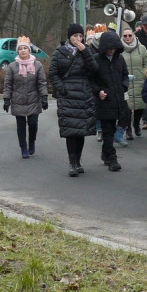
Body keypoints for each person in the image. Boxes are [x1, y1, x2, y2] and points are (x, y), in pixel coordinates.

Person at [48, 23, 98, 178]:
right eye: (75, 36)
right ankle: (72, 162)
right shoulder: (59, 53)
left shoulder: (86, 51)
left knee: (81, 130)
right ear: (69, 37)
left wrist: (85, 51)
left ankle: (78, 161)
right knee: (71, 131)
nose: (78, 38)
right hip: (67, 95)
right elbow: (53, 73)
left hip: (83, 94)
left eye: (80, 36)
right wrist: (61, 88)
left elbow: (94, 69)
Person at [2, 35, 48, 160]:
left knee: (33, 124)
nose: (23, 51)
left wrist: (44, 97)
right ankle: (23, 147)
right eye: (20, 49)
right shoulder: (12, 67)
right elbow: (8, 84)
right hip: (18, 100)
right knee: (21, 126)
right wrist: (6, 99)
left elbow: (42, 82)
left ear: (29, 50)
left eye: (25, 48)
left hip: (34, 99)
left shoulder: (37, 65)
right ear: (18, 51)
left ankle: (32, 141)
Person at [89, 29, 129, 172]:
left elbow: (125, 75)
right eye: (109, 48)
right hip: (104, 101)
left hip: (118, 99)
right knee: (107, 130)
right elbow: (91, 80)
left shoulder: (120, 59)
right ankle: (112, 157)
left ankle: (106, 153)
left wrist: (124, 86)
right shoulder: (96, 60)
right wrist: (98, 91)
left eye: (114, 48)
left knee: (113, 128)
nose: (112, 51)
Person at [120, 27, 147, 141]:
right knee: (127, 107)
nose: (127, 37)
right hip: (125, 82)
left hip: (139, 81)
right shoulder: (119, 49)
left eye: (129, 35)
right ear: (122, 37)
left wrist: (143, 74)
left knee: (140, 106)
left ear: (133, 36)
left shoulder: (141, 48)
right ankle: (128, 129)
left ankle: (136, 124)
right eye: (125, 36)